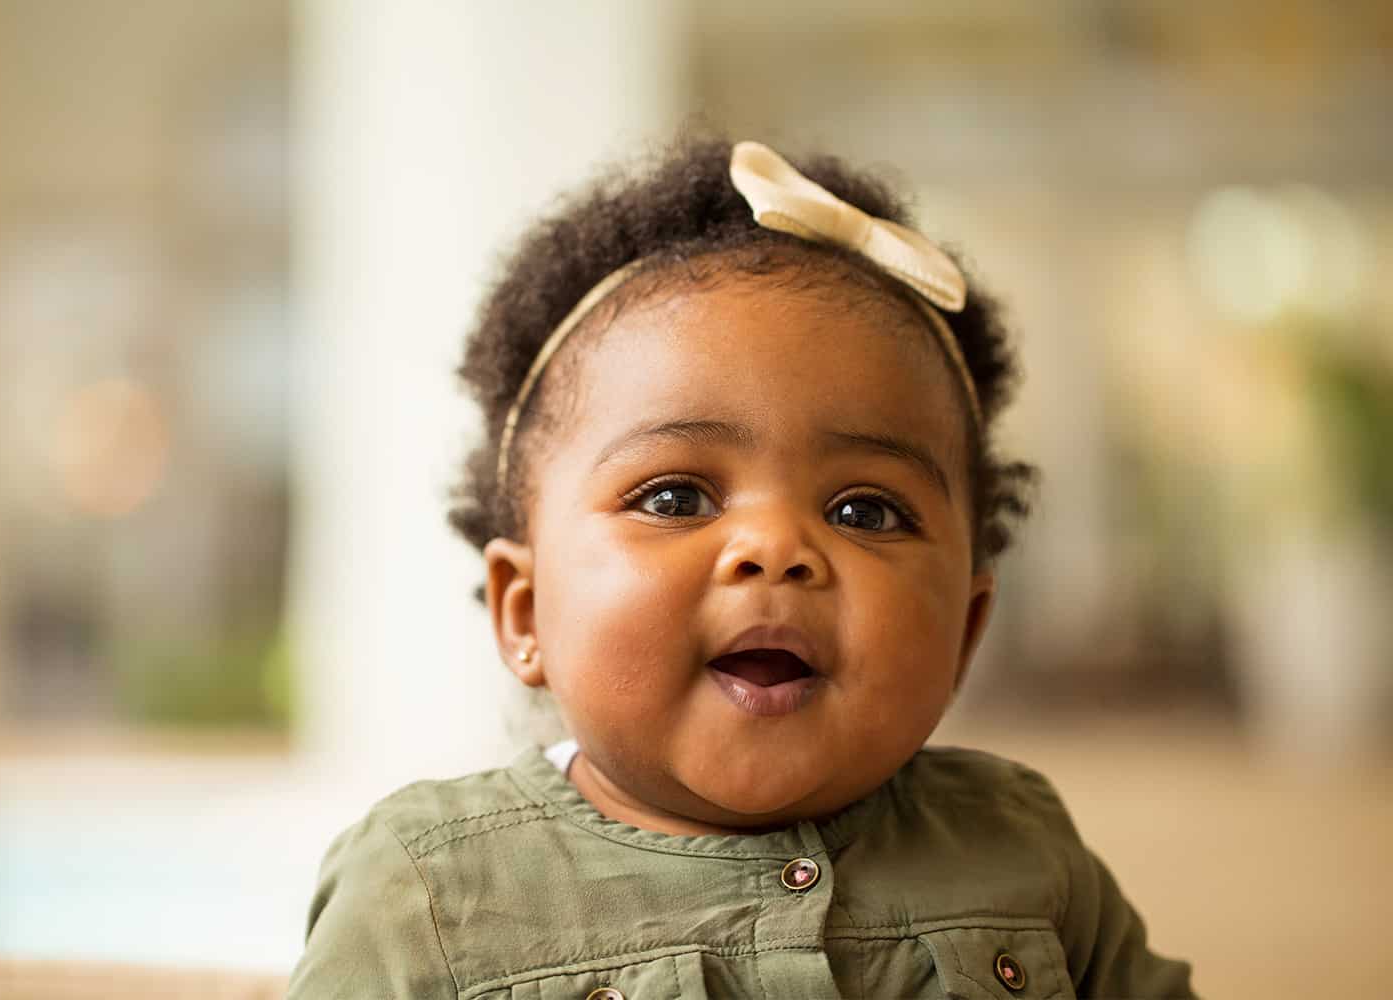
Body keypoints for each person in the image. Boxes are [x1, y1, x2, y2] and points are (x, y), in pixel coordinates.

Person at [286, 136, 1196, 999]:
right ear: (524, 615)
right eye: (676, 497)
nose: (776, 548)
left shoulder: (1018, 842)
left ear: (963, 629)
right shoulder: (431, 889)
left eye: (864, 511)